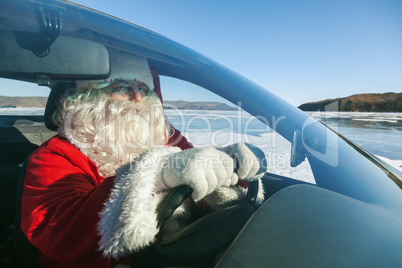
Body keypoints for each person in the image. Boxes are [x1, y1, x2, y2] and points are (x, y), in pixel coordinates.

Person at [20, 50, 266, 267]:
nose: (138, 98)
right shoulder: (53, 156)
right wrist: (158, 174)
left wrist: (232, 169)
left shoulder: (164, 136)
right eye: (123, 87)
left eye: (143, 89)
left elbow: (198, 176)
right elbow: (62, 234)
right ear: (90, 96)